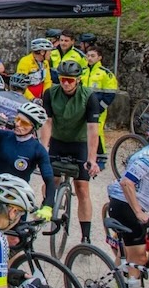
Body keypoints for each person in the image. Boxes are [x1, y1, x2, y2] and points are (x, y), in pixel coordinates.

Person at [40, 60, 102, 243]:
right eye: (62, 79)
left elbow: (92, 129)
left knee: (82, 188)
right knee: (52, 180)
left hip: (79, 143)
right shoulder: (50, 93)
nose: (66, 83)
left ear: (78, 80)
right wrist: (43, 148)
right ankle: (47, 208)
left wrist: (92, 158)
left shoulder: (89, 96)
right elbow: (47, 122)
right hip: (59, 140)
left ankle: (85, 236)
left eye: (70, 80)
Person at [107, 123, 149, 288]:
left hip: (133, 205)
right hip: (125, 206)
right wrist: (138, 212)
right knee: (139, 258)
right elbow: (127, 183)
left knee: (128, 252)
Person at [81, 46, 118, 168]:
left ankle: (101, 158)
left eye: (93, 56)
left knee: (97, 132)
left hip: (98, 109)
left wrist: (99, 108)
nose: (90, 58)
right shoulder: (83, 71)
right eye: (88, 55)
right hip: (82, 108)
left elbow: (110, 94)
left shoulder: (105, 73)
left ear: (99, 58)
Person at [17, 38, 54, 102]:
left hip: (40, 96)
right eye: (49, 51)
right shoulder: (25, 62)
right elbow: (20, 84)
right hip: (26, 97)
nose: (51, 53)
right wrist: (32, 98)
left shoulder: (45, 62)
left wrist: (46, 96)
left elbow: (47, 81)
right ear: (42, 52)